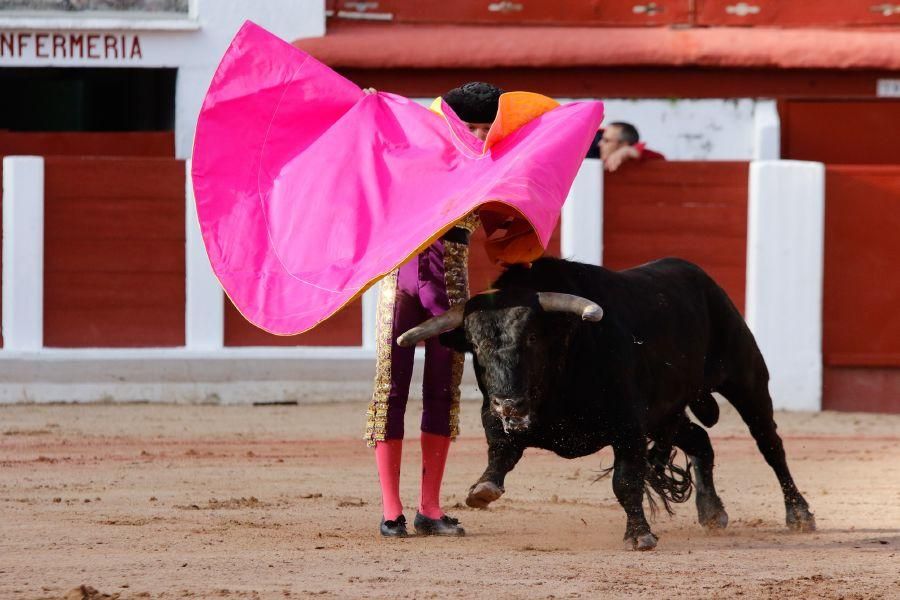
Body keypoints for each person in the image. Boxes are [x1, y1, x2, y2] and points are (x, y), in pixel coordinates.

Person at [363, 82, 503, 538]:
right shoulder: (418, 153)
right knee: (391, 389)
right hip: (400, 279)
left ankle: (430, 507)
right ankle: (391, 510)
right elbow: (375, 155)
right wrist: (375, 113)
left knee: (443, 394)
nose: (480, 135)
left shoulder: (494, 166)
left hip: (452, 288)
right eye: (473, 126)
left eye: (488, 127)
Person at [586, 121, 666, 171]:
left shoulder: (631, 152)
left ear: (624, 145)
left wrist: (628, 151)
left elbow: (660, 159)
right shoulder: (590, 146)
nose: (599, 144)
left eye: (606, 140)